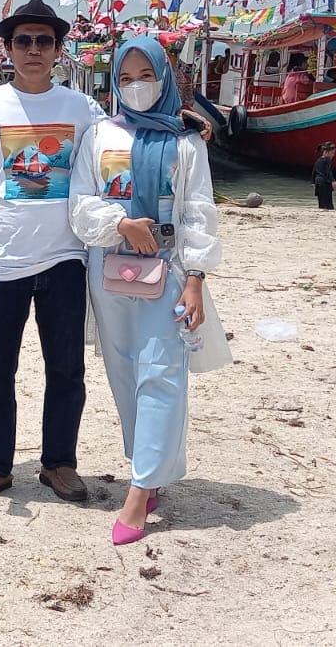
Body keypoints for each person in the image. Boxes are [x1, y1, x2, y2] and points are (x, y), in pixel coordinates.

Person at [0, 0, 106, 504]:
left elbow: (117, 157)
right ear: (7, 48)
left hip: (65, 258)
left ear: (58, 50)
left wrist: (182, 133)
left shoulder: (83, 110)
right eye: (22, 41)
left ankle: (59, 462)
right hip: (0, 258)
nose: (32, 49)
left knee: (66, 369)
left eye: (43, 41)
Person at [70, 36, 223, 545]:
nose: (137, 87)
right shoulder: (98, 136)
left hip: (169, 267)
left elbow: (199, 209)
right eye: (127, 77)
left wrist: (197, 278)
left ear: (165, 77)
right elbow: (81, 203)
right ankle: (148, 466)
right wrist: (120, 221)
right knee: (123, 369)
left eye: (147, 76)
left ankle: (138, 494)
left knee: (161, 372)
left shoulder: (186, 141)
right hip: (109, 268)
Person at [312, 141, 336, 210]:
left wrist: (313, 183)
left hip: (318, 182)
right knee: (328, 202)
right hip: (325, 182)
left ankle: (321, 210)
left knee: (321, 202)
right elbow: (328, 171)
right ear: (326, 152)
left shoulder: (318, 160)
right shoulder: (327, 160)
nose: (333, 155)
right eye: (332, 153)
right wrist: (333, 181)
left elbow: (314, 172)